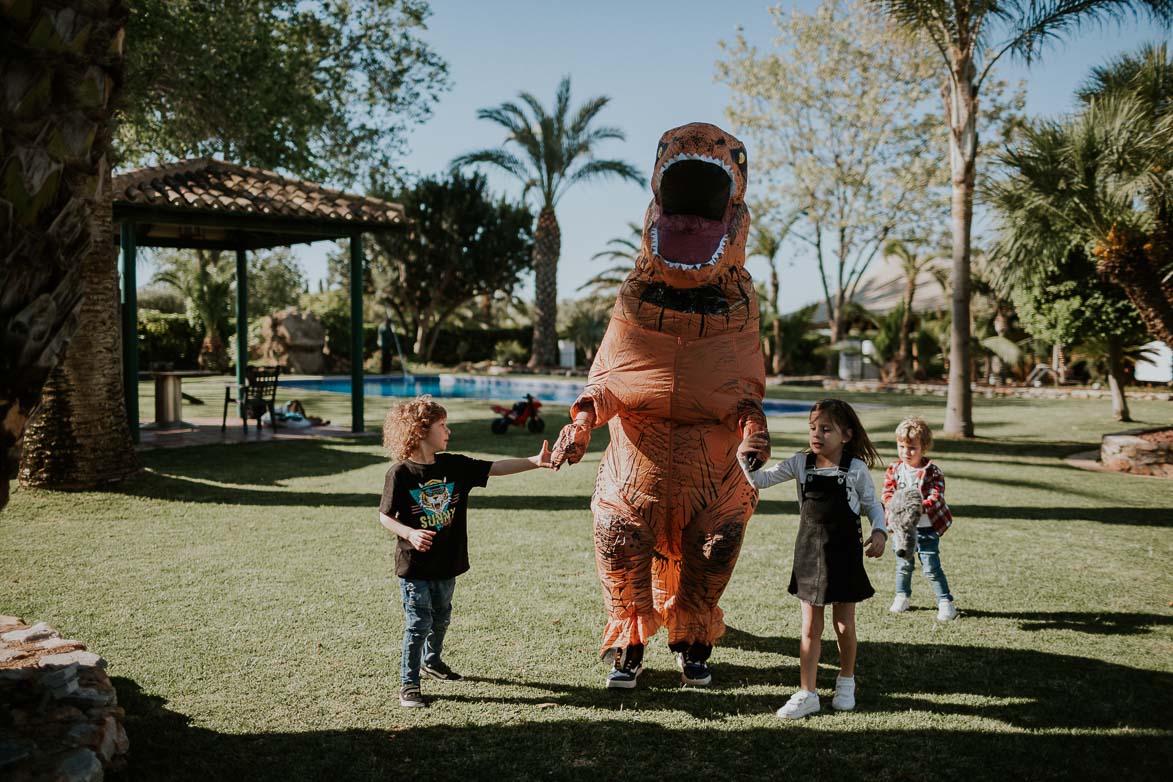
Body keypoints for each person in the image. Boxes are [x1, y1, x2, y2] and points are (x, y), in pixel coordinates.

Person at [378, 395, 552, 708]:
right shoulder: (400, 474)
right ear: (420, 430)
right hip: (415, 566)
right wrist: (410, 533)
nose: (448, 431)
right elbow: (385, 516)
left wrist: (535, 462)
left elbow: (495, 467)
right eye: (442, 425)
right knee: (418, 624)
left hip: (448, 562)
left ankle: (433, 661)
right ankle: (409, 683)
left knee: (441, 618)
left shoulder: (454, 466)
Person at [738, 399, 886, 720]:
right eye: (813, 427)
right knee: (810, 627)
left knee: (844, 625)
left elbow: (873, 505)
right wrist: (744, 456)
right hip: (808, 554)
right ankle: (808, 693)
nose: (816, 434)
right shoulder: (800, 463)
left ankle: (846, 680)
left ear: (846, 435)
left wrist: (879, 532)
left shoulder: (855, 469)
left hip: (845, 554)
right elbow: (761, 480)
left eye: (826, 428)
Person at [882, 416, 956, 621]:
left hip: (926, 528)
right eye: (901, 446)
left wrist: (917, 508)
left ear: (923, 448)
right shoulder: (894, 469)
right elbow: (887, 493)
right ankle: (902, 596)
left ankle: (945, 601)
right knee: (903, 565)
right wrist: (894, 506)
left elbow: (936, 495)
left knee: (931, 567)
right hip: (902, 529)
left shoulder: (932, 471)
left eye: (912, 448)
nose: (906, 452)